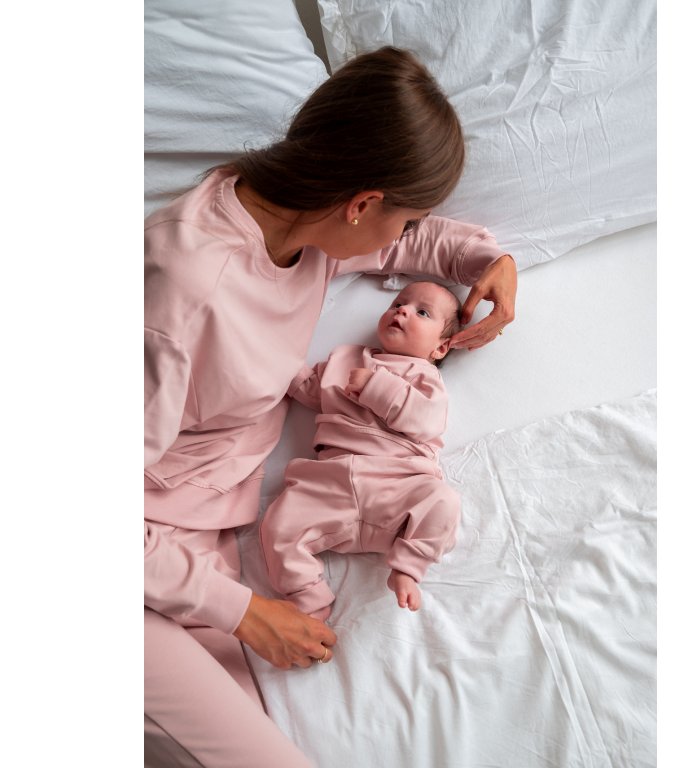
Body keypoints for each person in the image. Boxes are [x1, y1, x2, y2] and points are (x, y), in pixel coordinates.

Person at [144, 46, 517, 767]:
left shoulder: (303, 223)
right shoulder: (183, 296)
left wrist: (486, 262)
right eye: (402, 220)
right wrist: (247, 613)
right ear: (363, 204)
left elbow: (415, 245)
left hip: (198, 522)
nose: (404, 240)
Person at [260, 281, 464, 622]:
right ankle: (307, 596)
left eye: (422, 312)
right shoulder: (345, 358)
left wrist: (376, 386)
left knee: (444, 502)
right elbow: (309, 388)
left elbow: (425, 421)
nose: (402, 310)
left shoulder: (425, 377)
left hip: (399, 483)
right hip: (332, 482)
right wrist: (276, 357)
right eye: (398, 303)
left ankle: (408, 567)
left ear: (440, 348)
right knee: (278, 525)